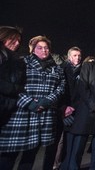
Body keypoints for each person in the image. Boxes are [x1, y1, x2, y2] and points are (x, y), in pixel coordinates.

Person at [0, 35, 66, 170]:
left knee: (30, 156)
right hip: (22, 114)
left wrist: (48, 101)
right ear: (33, 49)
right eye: (40, 48)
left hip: (44, 115)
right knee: (9, 156)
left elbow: (61, 87)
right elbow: (14, 86)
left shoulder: (56, 68)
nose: (44, 50)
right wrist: (29, 102)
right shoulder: (21, 62)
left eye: (46, 48)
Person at [52, 47, 82, 170]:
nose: (78, 58)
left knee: (69, 142)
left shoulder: (83, 71)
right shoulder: (62, 69)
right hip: (62, 109)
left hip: (75, 110)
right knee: (58, 142)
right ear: (69, 57)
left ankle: (64, 165)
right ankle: (54, 165)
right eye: (75, 55)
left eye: (79, 55)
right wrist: (63, 107)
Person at [0, 26, 25, 128]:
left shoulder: (15, 59)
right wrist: (14, 89)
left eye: (19, 40)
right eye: (13, 39)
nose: (17, 43)